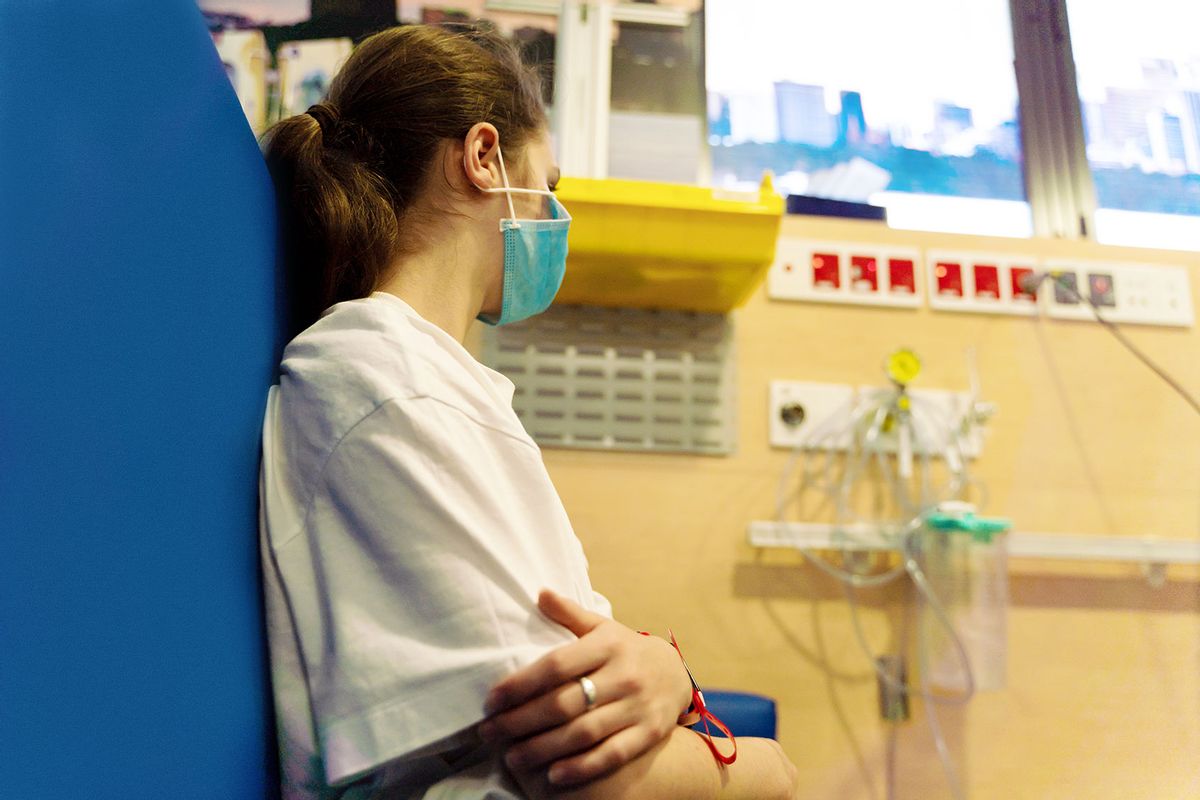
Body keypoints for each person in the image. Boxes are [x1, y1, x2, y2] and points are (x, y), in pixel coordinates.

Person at [258, 22, 799, 800]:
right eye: (548, 182)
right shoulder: (376, 374)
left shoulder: (441, 381)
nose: (552, 213)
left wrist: (666, 671)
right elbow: (565, 772)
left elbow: (595, 677)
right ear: (482, 158)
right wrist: (761, 772)